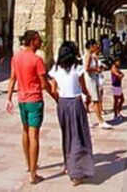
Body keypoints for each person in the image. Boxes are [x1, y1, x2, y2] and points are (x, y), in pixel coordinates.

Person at [7, 30, 56, 185]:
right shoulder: (37, 60)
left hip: (22, 100)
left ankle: (29, 164)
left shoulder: (16, 57)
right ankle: (33, 174)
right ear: (33, 40)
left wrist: (8, 98)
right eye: (39, 39)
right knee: (34, 135)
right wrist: (55, 94)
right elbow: (44, 84)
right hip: (34, 100)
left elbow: (12, 78)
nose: (41, 42)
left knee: (25, 130)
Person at [48, 41, 95, 185]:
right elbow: (83, 86)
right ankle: (76, 172)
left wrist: (59, 98)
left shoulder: (56, 69)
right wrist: (89, 97)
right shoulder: (77, 68)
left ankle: (68, 164)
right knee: (78, 135)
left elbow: (53, 88)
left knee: (67, 134)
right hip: (75, 102)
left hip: (62, 103)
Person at [84, 39, 112, 129]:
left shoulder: (92, 56)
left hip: (94, 78)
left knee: (92, 100)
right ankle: (100, 121)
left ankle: (86, 120)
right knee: (95, 100)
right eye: (95, 45)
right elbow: (86, 68)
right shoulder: (88, 55)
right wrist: (96, 70)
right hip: (90, 79)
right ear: (91, 46)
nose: (97, 46)